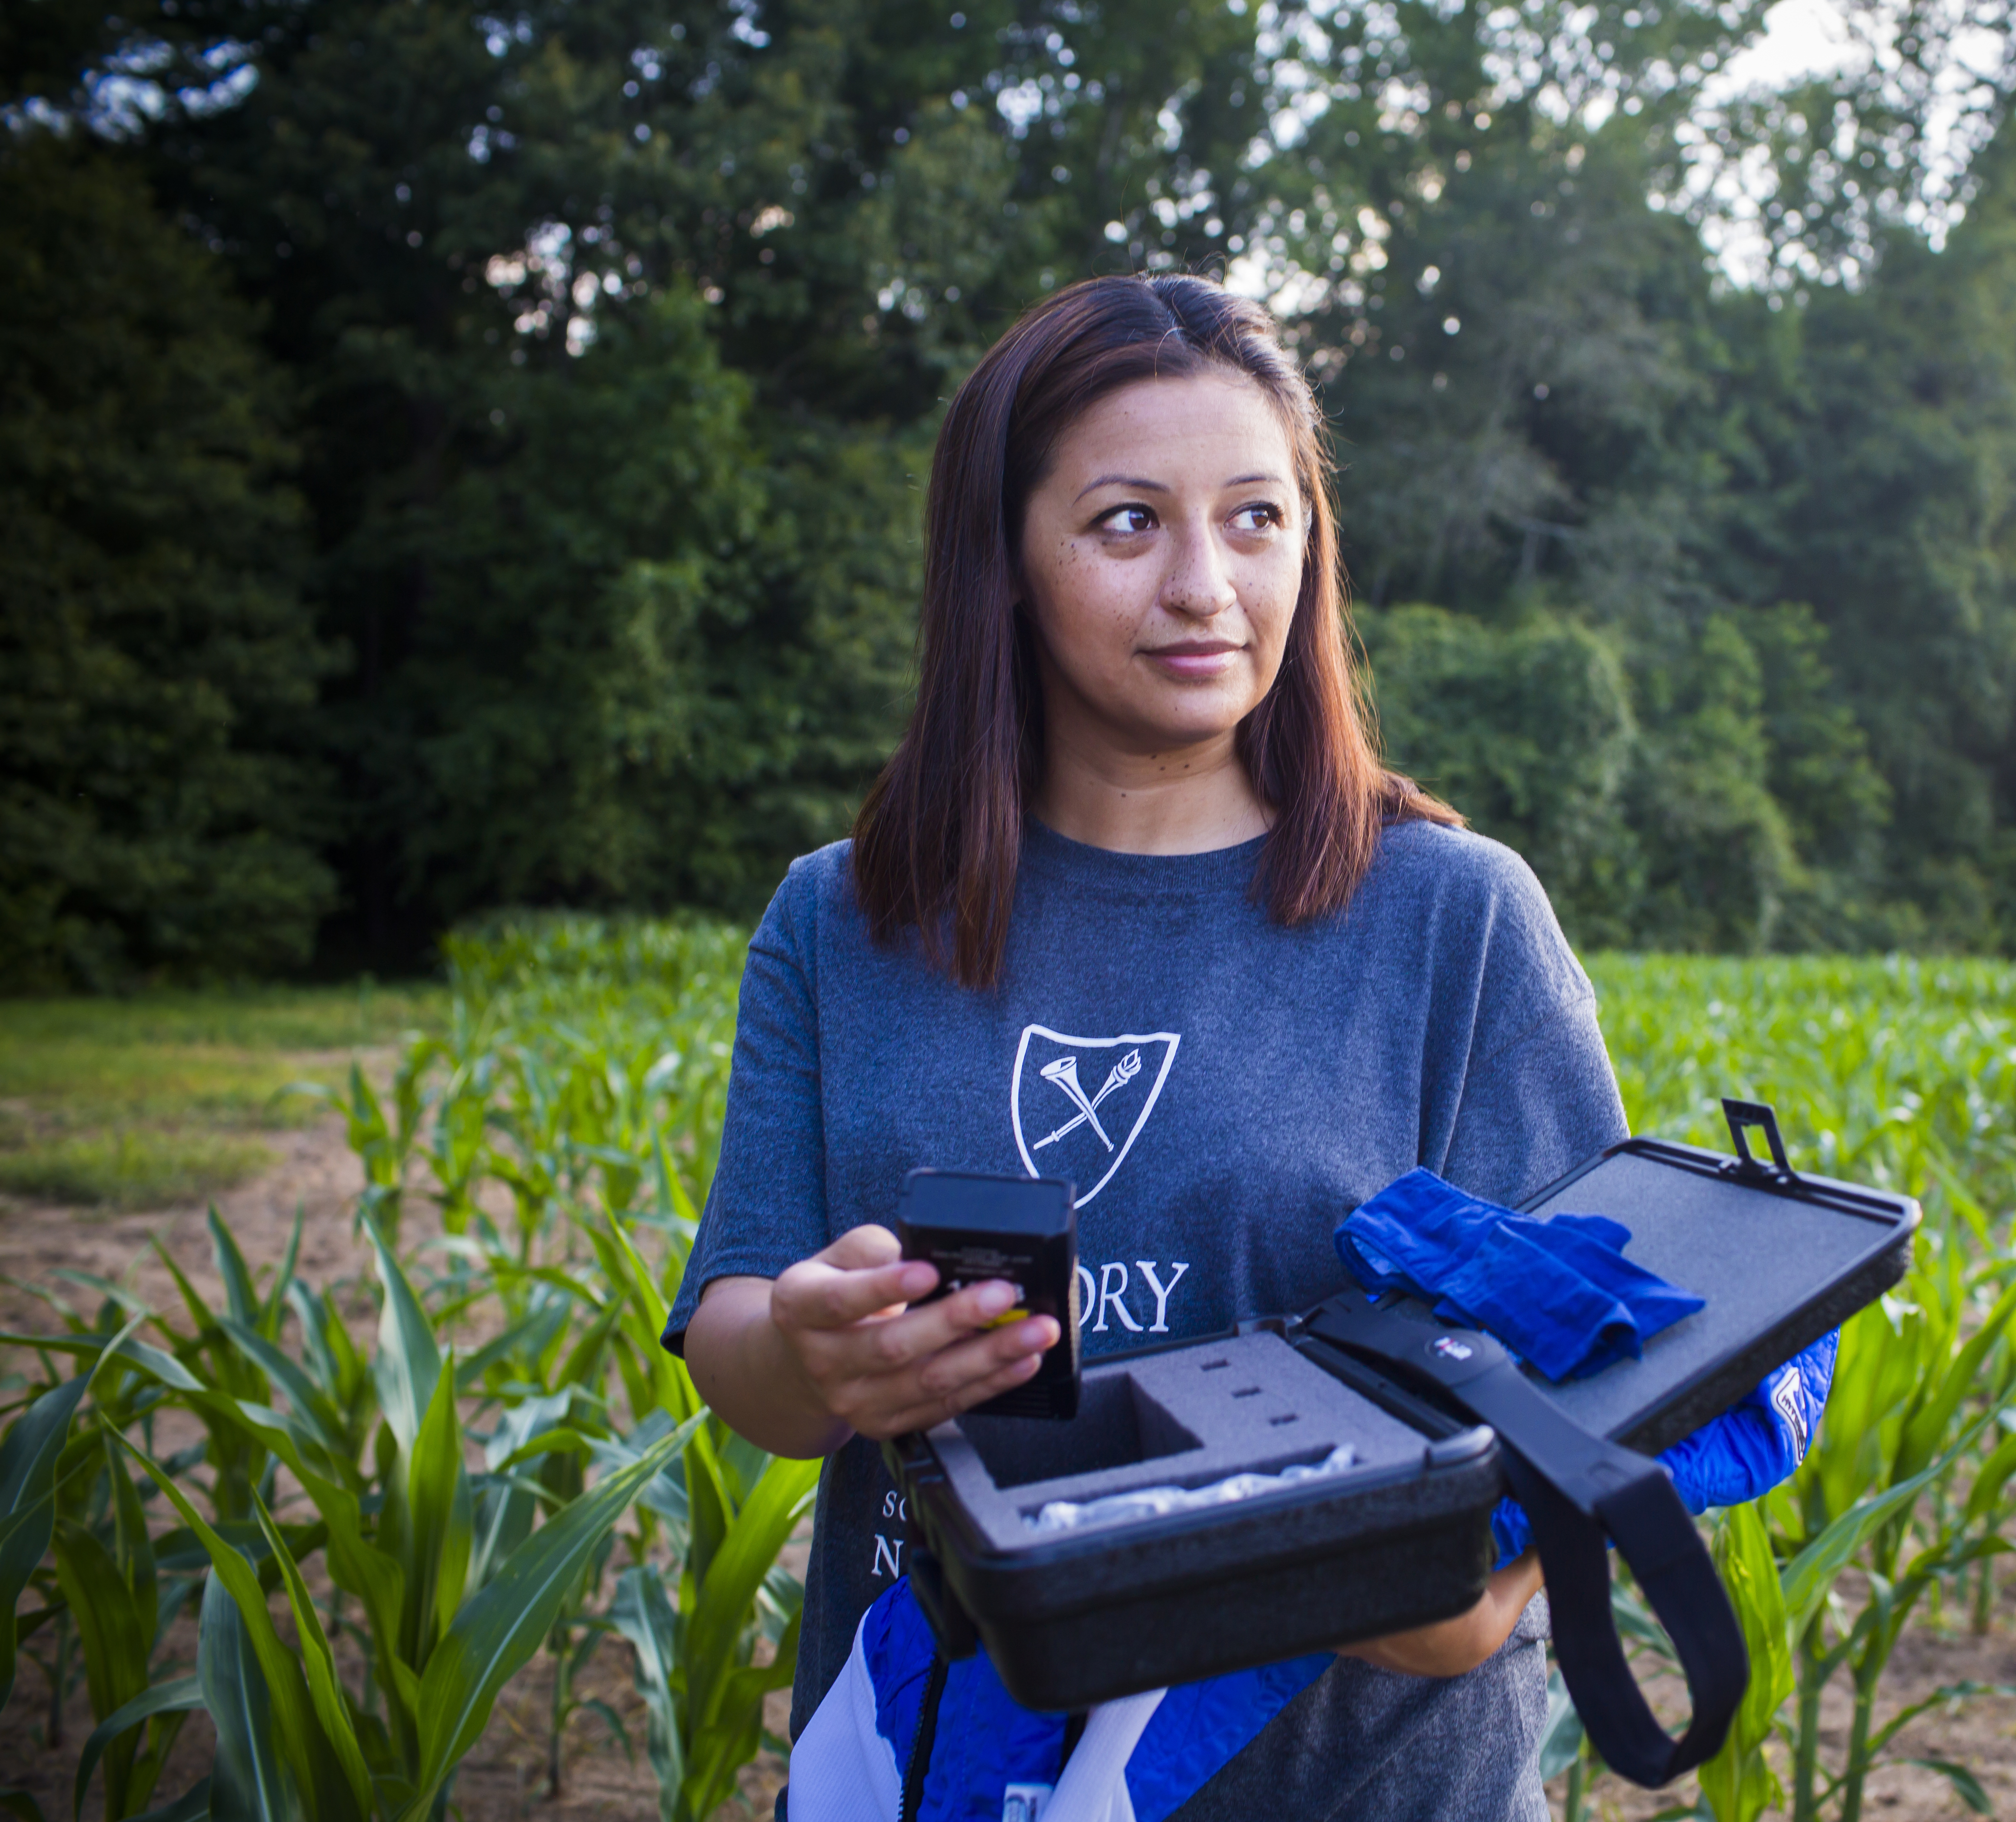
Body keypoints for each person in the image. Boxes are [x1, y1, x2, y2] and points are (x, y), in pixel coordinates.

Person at [666, 272, 1629, 1820]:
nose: (1207, 584)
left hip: (1364, 1774)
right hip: (953, 1759)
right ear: (1006, 562)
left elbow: (1606, 1368)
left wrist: (1477, 1597)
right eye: (1129, 523)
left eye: (1256, 518)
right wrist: (811, 1343)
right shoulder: (843, 920)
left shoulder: (1455, 916)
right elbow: (747, 1353)